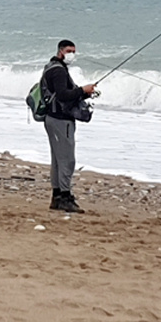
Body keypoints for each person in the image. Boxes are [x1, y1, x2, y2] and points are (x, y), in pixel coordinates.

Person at [41, 40, 96, 213]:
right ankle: (65, 197)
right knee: (67, 160)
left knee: (57, 160)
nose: (72, 54)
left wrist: (83, 93)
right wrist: (82, 90)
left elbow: (61, 95)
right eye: (69, 51)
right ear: (60, 51)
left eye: (74, 51)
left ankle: (57, 197)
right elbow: (63, 96)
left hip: (53, 118)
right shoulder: (58, 70)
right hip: (60, 120)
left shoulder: (51, 66)